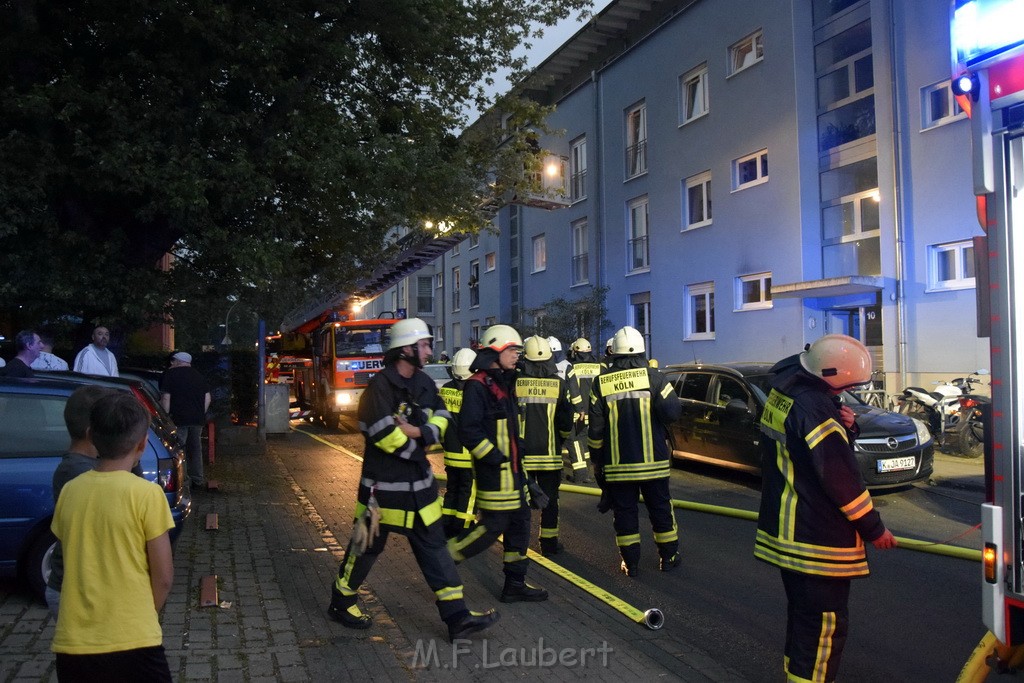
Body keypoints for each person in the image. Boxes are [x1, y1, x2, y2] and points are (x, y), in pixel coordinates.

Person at [327, 318, 499, 642]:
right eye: (425, 345)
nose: (430, 350)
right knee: (364, 549)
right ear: (406, 349)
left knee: (436, 551)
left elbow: (443, 416)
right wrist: (421, 445)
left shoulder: (423, 382)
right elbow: (382, 434)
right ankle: (341, 600)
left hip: (421, 493)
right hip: (382, 495)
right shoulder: (379, 387)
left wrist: (419, 432)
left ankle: (457, 617)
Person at [755, 334, 897, 683]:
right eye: (842, 388)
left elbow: (801, 449)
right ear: (828, 376)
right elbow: (840, 478)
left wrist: (846, 427)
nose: (841, 396)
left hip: (788, 531)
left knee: (804, 622)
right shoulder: (814, 407)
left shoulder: (787, 391)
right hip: (815, 539)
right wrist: (874, 529)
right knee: (823, 630)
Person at [50, 392, 175, 682]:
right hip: (135, 639)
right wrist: (145, 613)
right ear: (143, 443)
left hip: (74, 642)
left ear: (91, 436)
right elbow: (164, 576)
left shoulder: (71, 490)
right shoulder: (147, 494)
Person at [448, 324, 549, 602]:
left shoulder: (504, 383)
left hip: (513, 472)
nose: (517, 355)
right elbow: (468, 430)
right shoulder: (478, 386)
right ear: (495, 350)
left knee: (520, 524)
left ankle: (514, 583)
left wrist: (525, 475)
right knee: (493, 526)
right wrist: (492, 457)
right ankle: (445, 557)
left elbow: (511, 433)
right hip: (495, 474)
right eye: (512, 350)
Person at [588, 326, 682, 577]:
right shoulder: (656, 378)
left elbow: (595, 430)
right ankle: (668, 557)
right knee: (660, 507)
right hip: (655, 463)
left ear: (614, 353)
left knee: (625, 513)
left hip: (619, 467)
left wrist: (597, 461)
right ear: (642, 350)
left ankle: (631, 564)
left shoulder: (601, 383)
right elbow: (673, 413)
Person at [45, 385, 116, 615]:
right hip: (77, 591)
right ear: (92, 433)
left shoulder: (87, 466)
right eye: (113, 428)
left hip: (86, 587)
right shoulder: (78, 472)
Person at [517, 336, 573, 556]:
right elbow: (565, 421)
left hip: (522, 457)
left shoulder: (516, 383)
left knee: (521, 503)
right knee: (550, 502)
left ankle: (519, 543)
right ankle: (548, 544)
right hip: (550, 456)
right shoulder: (558, 384)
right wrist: (560, 439)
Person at [439, 347, 478, 538]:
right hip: (470, 454)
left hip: (450, 452)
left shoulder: (445, 390)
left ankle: (447, 525)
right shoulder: (475, 392)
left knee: (452, 489)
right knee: (468, 492)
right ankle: (464, 526)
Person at [159, 351, 211, 489]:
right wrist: (201, 413)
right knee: (195, 448)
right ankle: (198, 478)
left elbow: (165, 398)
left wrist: (165, 416)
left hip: (178, 418)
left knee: (179, 449)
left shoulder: (170, 375)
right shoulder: (199, 376)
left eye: (172, 361)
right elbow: (207, 397)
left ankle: (184, 480)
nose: (171, 364)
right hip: (197, 419)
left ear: (177, 361)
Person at [565, 337, 601, 483]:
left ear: (576, 352)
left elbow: (571, 392)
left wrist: (576, 409)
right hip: (594, 414)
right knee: (585, 442)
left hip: (578, 414)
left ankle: (581, 475)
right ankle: (588, 472)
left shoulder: (571, 368)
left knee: (574, 441)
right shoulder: (599, 367)